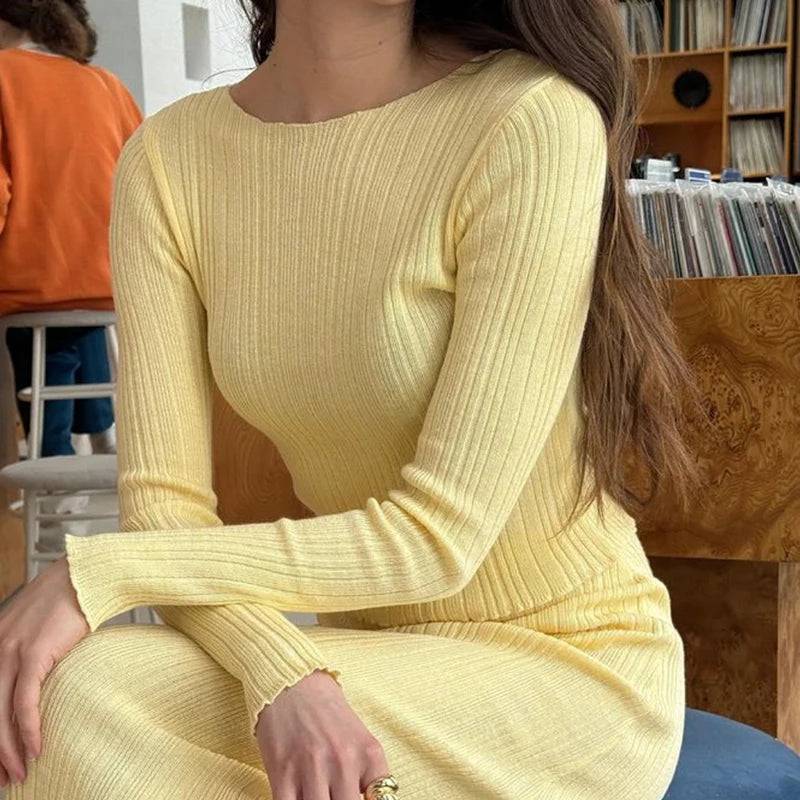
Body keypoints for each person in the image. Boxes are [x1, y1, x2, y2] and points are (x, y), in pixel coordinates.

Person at [0, 1, 701, 798]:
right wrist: (283, 670)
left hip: (565, 667)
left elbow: (440, 538)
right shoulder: (170, 157)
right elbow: (168, 510)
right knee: (61, 703)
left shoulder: (527, 119)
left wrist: (98, 572)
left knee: (82, 705)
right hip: (368, 655)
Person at [0, 0, 142, 458]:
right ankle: (102, 432)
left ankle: (54, 459)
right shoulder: (106, 84)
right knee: (79, 326)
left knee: (44, 347)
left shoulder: (2, 74)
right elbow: (141, 182)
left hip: (33, 286)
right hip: (110, 280)